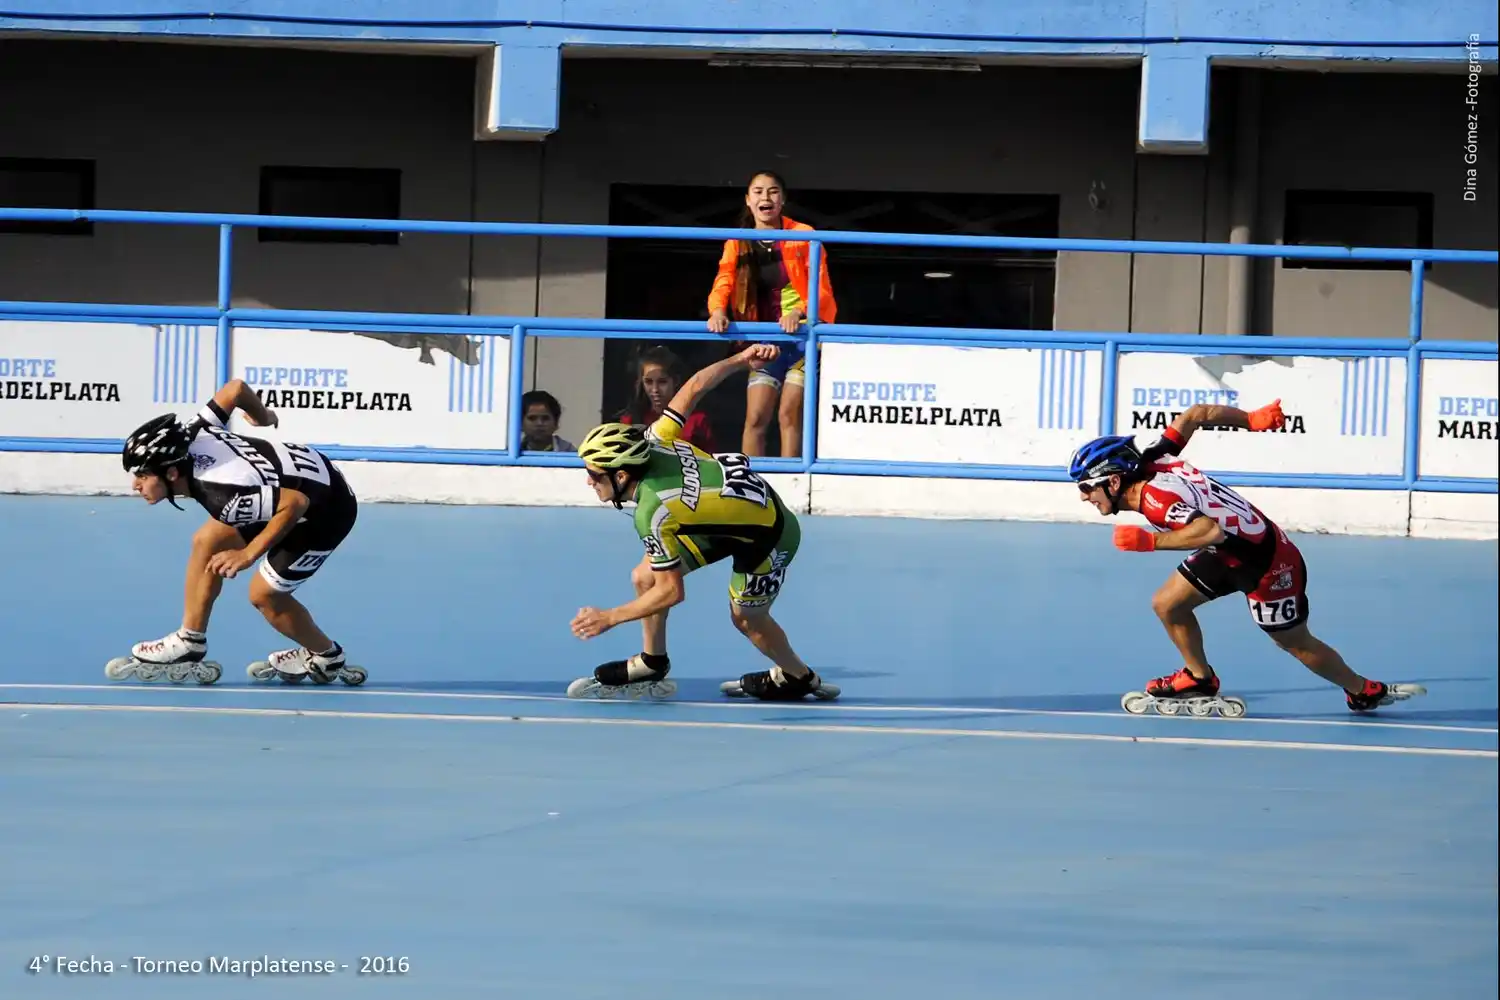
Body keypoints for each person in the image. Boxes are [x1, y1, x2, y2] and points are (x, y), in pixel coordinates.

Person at [1069, 399, 1421, 715]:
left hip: (1268, 563)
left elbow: (1208, 531)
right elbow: (1196, 414)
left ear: (1113, 482)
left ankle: (1362, 690)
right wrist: (1250, 419)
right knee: (1167, 604)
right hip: (1227, 551)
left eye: (1086, 487)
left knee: (1294, 642)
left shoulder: (1155, 501)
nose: (1084, 496)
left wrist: (1150, 541)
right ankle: (1199, 678)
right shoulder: (1155, 456)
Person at [567, 343, 837, 702]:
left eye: (594, 474)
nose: (589, 481)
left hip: (771, 537)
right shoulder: (655, 438)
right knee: (644, 576)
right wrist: (740, 359)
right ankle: (652, 662)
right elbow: (695, 386)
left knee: (747, 619)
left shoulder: (653, 511)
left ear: (621, 476)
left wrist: (610, 617)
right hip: (726, 516)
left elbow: (672, 592)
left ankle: (799, 677)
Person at [113, 378, 361, 686]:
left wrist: (247, 555)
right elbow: (235, 390)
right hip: (293, 484)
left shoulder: (221, 495)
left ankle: (326, 655)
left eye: (142, 475)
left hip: (325, 512)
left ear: (172, 472)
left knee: (264, 595)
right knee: (207, 541)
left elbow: (295, 504)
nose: (135, 485)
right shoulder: (194, 431)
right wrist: (263, 416)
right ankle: (189, 640)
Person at [706, 170, 837, 459]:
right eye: (758, 191)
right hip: (766, 341)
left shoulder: (804, 235)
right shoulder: (737, 241)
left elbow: (821, 288)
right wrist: (717, 311)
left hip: (803, 338)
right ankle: (749, 480)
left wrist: (799, 312)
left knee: (789, 414)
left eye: (773, 191)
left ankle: (791, 481)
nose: (765, 197)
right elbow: (724, 280)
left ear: (783, 199)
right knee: (755, 418)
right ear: (748, 200)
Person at [617, 344, 715, 452]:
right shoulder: (629, 420)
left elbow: (710, 458)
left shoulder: (697, 420)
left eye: (662, 382)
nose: (655, 389)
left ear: (675, 381)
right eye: (648, 382)